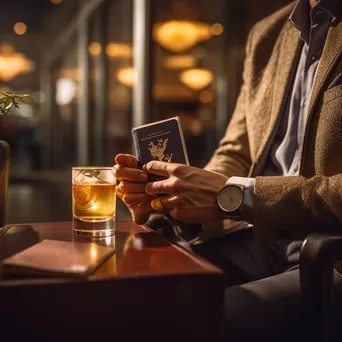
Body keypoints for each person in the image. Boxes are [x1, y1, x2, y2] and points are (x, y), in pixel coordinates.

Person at [114, 0, 342, 340]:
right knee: (127, 296)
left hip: (332, 255)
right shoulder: (267, 34)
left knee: (189, 318)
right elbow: (236, 150)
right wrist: (175, 195)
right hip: (256, 237)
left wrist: (234, 197)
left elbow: (235, 191)